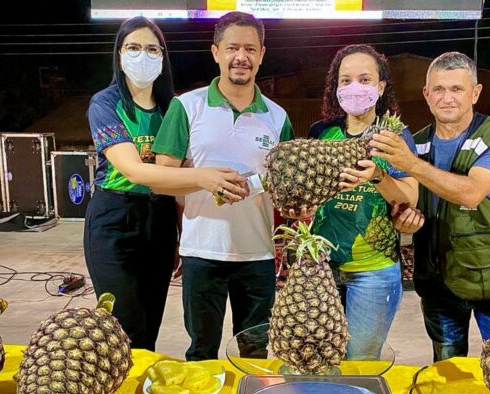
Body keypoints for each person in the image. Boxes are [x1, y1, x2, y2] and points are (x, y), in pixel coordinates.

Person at [85, 16, 248, 351]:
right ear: (119, 55)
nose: (142, 56)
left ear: (162, 57)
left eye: (151, 49)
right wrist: (204, 177)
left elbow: (176, 177)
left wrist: (178, 233)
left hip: (159, 220)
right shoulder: (105, 103)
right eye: (133, 48)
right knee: (122, 325)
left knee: (150, 325)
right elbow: (135, 171)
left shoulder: (172, 106)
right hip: (115, 218)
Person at [369, 51, 490, 362]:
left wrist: (410, 164)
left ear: (475, 93)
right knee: (447, 369)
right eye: (439, 90)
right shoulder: (417, 143)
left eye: (457, 89)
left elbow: (471, 193)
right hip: (438, 282)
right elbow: (406, 203)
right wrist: (404, 220)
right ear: (426, 95)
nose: (447, 98)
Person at [153, 12, 294, 361]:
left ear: (262, 53)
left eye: (249, 48)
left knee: (255, 351)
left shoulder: (277, 117)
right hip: (202, 252)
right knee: (201, 351)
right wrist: (203, 177)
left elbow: (287, 184)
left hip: (258, 254)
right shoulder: (187, 107)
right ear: (216, 52)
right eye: (232, 48)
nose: (240, 57)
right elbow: (161, 178)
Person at [303, 44, 422, 360]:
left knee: (360, 362)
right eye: (346, 80)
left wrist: (377, 177)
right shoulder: (321, 132)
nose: (355, 87)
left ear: (381, 87)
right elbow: (309, 191)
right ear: (336, 87)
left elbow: (409, 196)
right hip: (321, 265)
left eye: (365, 79)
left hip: (373, 270)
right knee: (319, 357)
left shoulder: (393, 136)